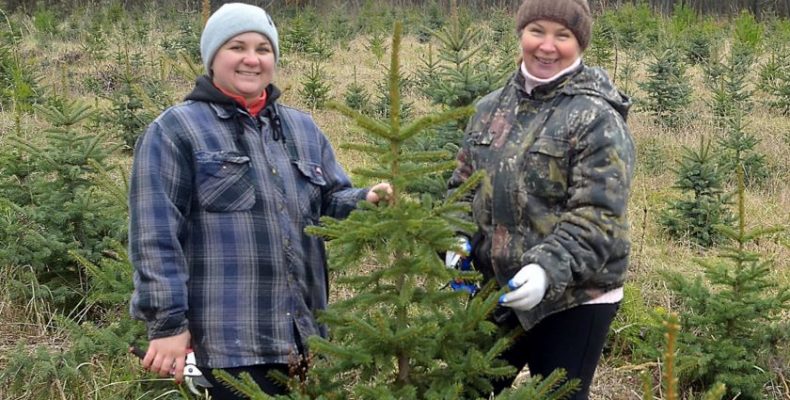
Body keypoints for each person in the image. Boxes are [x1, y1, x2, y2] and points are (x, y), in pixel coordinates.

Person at [128, 3, 391, 398]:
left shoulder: (301, 129)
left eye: (263, 49)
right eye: (237, 47)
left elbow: (327, 204)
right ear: (213, 57)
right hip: (229, 345)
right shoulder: (175, 130)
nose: (252, 59)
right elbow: (154, 236)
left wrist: (365, 200)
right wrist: (168, 325)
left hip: (302, 338)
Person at [446, 0, 635, 398]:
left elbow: (598, 216)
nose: (547, 46)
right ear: (520, 34)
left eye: (562, 35)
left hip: (576, 298)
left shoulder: (596, 117)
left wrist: (547, 269)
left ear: (579, 43)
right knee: (466, 388)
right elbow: (460, 187)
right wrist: (456, 236)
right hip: (497, 288)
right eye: (537, 31)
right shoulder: (488, 108)